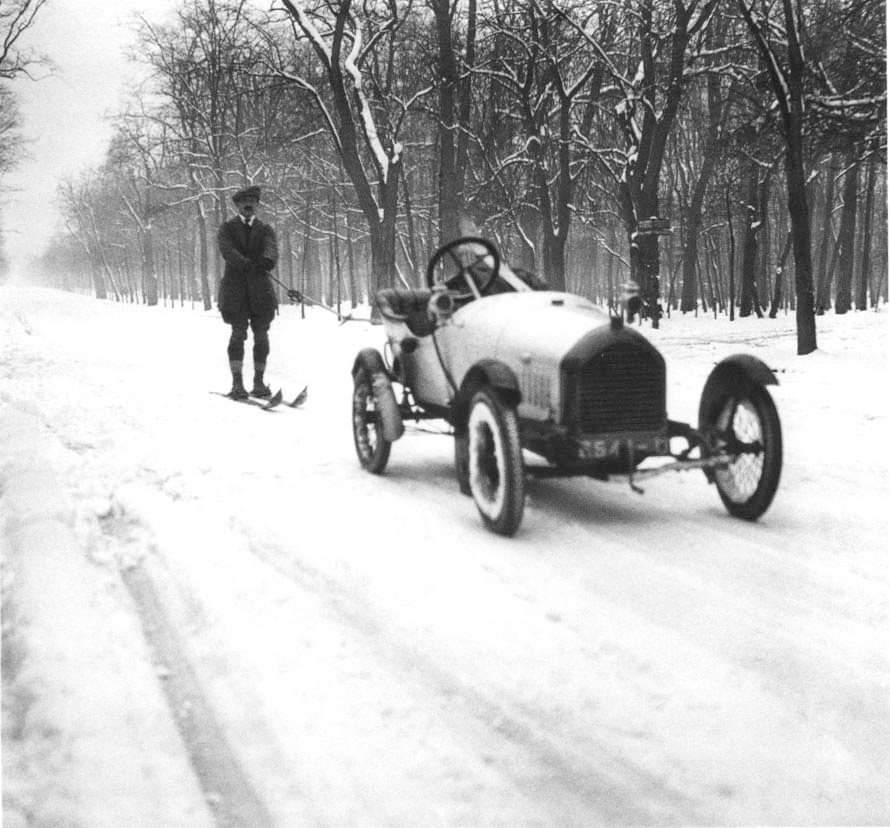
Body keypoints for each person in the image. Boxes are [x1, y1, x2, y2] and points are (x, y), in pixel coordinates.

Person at [217, 185, 279, 399]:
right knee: (238, 335)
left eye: (253, 201)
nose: (249, 205)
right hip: (235, 294)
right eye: (244, 202)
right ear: (238, 205)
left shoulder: (265, 229)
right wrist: (245, 263)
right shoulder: (226, 229)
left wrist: (266, 261)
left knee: (261, 337)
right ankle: (237, 384)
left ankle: (259, 383)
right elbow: (227, 251)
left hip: (261, 294)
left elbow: (271, 249)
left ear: (257, 205)